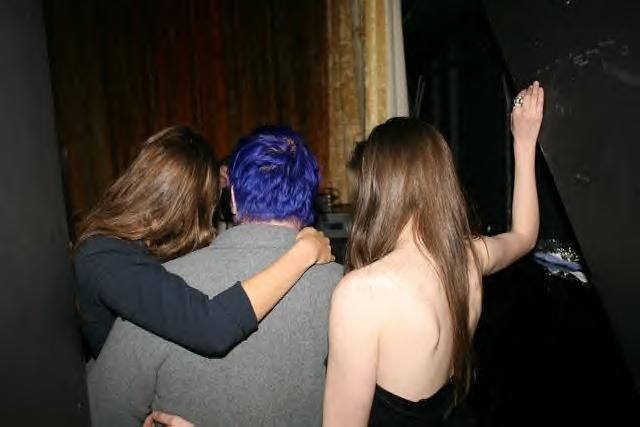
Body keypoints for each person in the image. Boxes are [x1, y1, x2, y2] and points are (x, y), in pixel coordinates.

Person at [87, 126, 343, 427]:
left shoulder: (158, 288)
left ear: (231, 196)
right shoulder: (346, 287)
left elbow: (102, 412)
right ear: (309, 199)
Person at [323, 81, 544, 426]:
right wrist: (525, 141)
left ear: (376, 191)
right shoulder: (468, 256)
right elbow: (525, 236)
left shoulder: (361, 293)